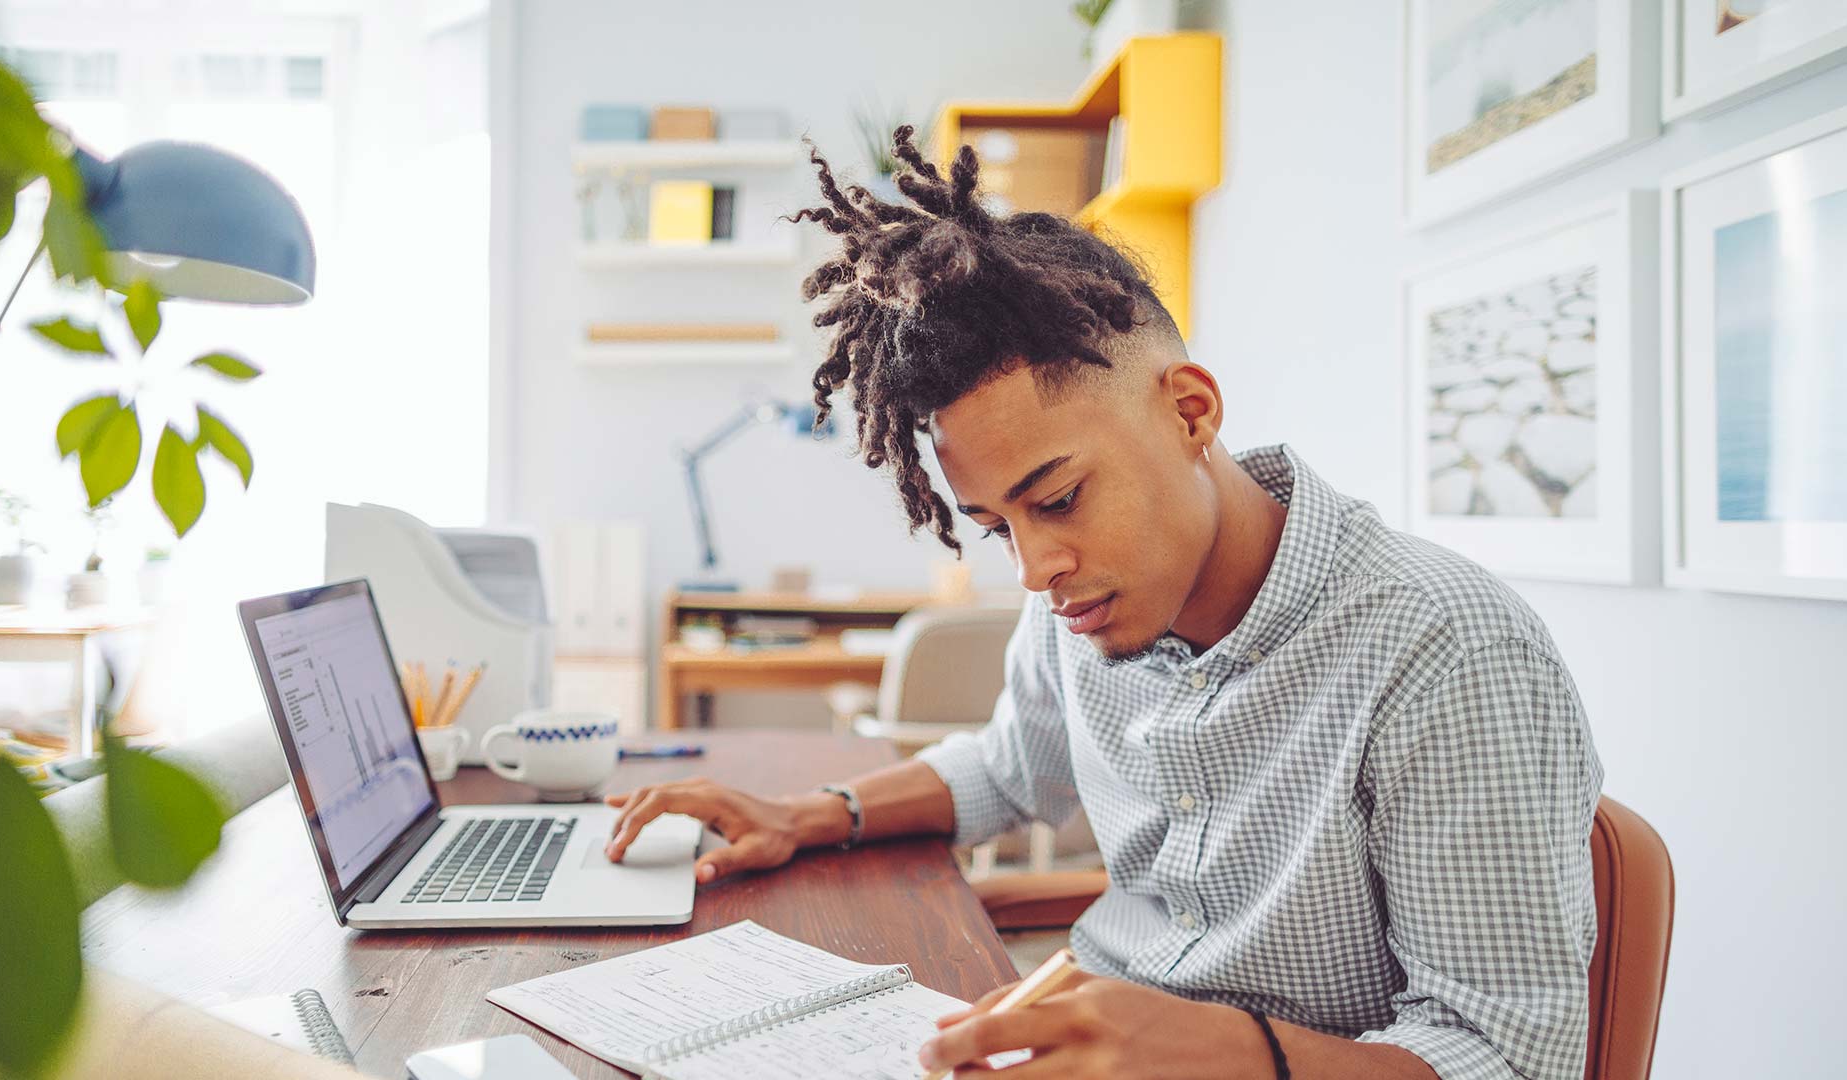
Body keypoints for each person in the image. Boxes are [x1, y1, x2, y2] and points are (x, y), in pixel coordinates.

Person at [605, 127, 1603, 1080]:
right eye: (999, 527)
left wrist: (1229, 1056)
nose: (1035, 571)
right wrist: (810, 816)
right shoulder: (1079, 605)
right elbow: (1007, 769)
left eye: (1060, 500)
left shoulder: (1448, 653)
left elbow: (1513, 1058)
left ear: (1189, 411)